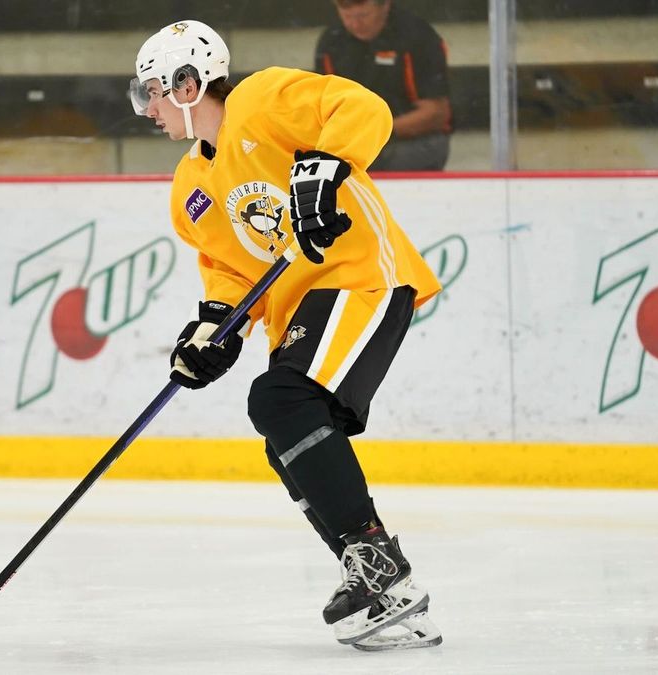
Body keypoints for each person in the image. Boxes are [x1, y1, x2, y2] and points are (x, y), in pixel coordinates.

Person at [129, 20, 444, 650]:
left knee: (278, 401)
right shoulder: (190, 187)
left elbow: (361, 108)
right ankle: (385, 589)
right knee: (287, 434)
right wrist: (213, 329)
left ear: (188, 84)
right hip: (302, 306)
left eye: (152, 92)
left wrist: (326, 166)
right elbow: (230, 272)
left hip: (362, 280)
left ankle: (379, 563)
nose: (147, 110)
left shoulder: (263, 99)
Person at [315, 0, 452, 171]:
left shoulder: (418, 37)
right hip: (355, 140)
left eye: (363, 15)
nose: (356, 24)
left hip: (412, 141)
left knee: (364, 161)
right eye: (347, 16)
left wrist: (378, 131)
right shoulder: (332, 41)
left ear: (385, 5)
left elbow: (436, 114)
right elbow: (323, 108)